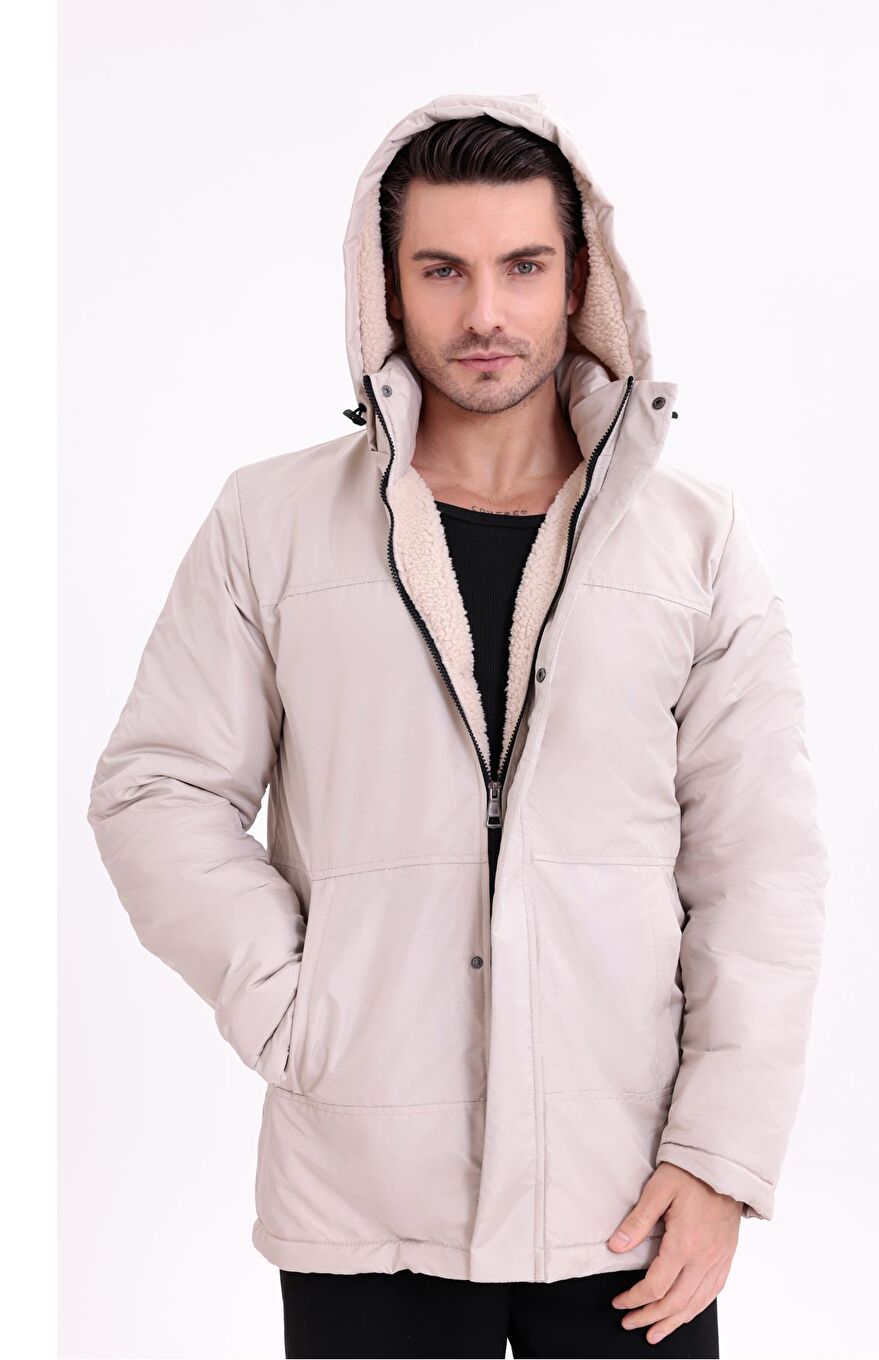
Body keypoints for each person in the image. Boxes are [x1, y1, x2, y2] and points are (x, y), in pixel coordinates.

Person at [87, 92, 830, 1358]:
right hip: (363, 1191)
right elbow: (157, 790)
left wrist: (721, 1155)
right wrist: (299, 1010)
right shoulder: (270, 524)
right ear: (386, 286)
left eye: (522, 267)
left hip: (628, 1197)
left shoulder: (694, 540)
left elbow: (761, 864)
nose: (486, 312)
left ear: (580, 280)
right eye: (443, 270)